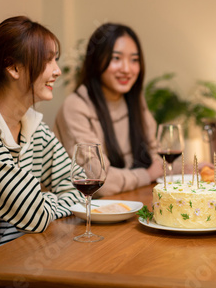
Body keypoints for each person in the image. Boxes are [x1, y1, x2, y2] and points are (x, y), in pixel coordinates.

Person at [0, 16, 83, 269]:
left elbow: (79, 186)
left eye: (56, 60)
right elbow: (35, 216)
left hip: (18, 260)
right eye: (48, 60)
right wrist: (45, 200)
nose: (57, 70)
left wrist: (41, 200)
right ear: (14, 68)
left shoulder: (33, 125)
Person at [54, 23, 163, 196]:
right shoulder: (76, 107)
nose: (127, 69)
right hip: (87, 214)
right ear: (97, 61)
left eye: (134, 60)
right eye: (116, 58)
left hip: (131, 202)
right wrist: (147, 175)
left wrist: (193, 168)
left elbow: (158, 158)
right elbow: (98, 180)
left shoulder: (134, 100)